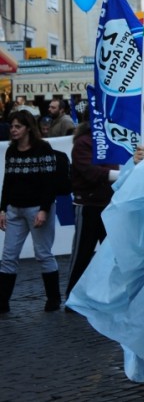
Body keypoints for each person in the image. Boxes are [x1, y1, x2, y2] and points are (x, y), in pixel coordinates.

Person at [0, 109, 63, 313]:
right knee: (9, 256)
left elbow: (49, 183)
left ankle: (53, 298)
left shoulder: (43, 148)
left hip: (37, 208)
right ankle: (2, 302)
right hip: (15, 209)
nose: (13, 130)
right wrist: (2, 209)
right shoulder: (11, 151)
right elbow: (7, 182)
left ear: (28, 128)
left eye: (18, 126)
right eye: (12, 126)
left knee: (43, 253)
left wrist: (44, 209)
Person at [65, 121, 122, 298]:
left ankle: (106, 294)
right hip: (88, 206)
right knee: (82, 252)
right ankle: (72, 295)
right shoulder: (83, 142)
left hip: (107, 204)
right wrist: (116, 175)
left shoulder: (110, 138)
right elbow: (88, 171)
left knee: (111, 253)